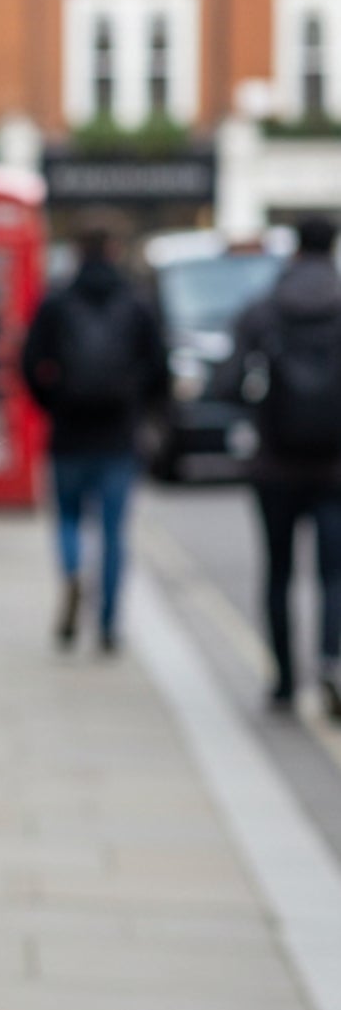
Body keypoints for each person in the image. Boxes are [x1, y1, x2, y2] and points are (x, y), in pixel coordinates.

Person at [215, 215, 341, 715]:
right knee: (335, 575)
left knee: (279, 573)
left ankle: (285, 681)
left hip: (275, 465)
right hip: (335, 467)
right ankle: (331, 661)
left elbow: (227, 383)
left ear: (295, 249)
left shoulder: (264, 309)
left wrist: (260, 410)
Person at [21, 225, 168, 653]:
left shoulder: (56, 302)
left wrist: (52, 403)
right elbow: (160, 369)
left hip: (68, 433)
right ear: (115, 249)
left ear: (78, 252)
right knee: (113, 532)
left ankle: (72, 572)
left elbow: (29, 363)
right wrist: (138, 407)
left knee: (68, 518)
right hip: (118, 437)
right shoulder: (137, 303)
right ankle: (107, 625)